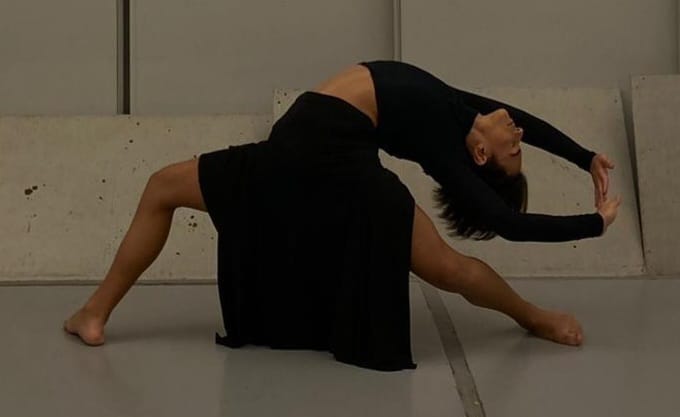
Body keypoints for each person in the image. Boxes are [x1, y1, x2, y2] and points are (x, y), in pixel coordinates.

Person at [64, 60, 620, 372]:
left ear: (480, 155)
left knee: (447, 266)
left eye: (513, 148)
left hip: (325, 153)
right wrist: (584, 156)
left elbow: (507, 223)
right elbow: (521, 117)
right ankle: (93, 312)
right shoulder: (461, 110)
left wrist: (592, 224)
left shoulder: (446, 139)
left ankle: (533, 317)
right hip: (310, 147)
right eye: (519, 142)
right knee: (163, 187)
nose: (517, 132)